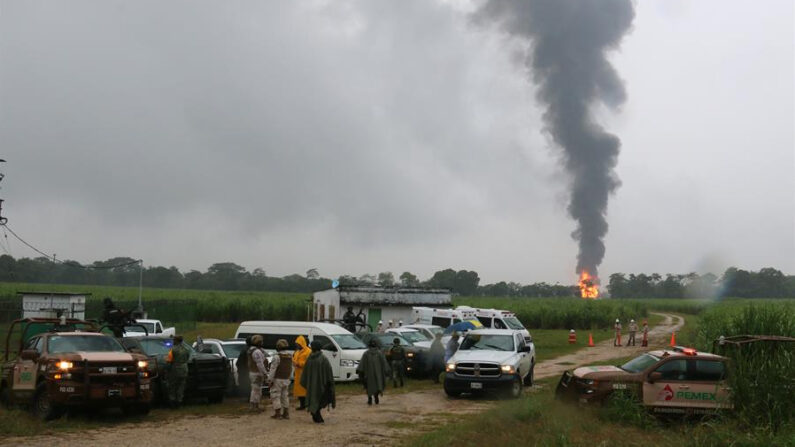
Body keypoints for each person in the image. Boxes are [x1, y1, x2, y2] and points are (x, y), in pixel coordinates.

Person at [301, 340, 336, 423]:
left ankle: (316, 414)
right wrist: (329, 382)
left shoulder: (309, 358)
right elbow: (328, 372)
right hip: (321, 384)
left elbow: (305, 373)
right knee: (321, 398)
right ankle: (316, 414)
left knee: (314, 398)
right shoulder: (323, 359)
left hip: (311, 385)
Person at [356, 339, 390, 405]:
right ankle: (376, 397)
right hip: (378, 374)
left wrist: (359, 370)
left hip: (368, 374)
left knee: (369, 386)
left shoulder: (366, 353)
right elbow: (384, 363)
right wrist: (387, 370)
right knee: (377, 385)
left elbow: (361, 364)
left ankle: (369, 399)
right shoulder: (379, 353)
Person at [267, 339, 293, 419]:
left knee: (275, 395)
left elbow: (273, 369)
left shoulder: (277, 357)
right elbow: (290, 368)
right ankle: (286, 413)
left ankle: (278, 414)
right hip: (286, 379)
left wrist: (270, 380)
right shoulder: (290, 356)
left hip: (277, 379)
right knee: (285, 396)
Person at [165, 335, 190, 408]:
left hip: (175, 369)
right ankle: (179, 402)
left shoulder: (172, 350)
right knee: (181, 386)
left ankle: (172, 402)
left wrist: (167, 370)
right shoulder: (186, 349)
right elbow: (187, 358)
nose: (173, 341)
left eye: (174, 340)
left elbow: (169, 361)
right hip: (184, 369)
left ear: (176, 341)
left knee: (172, 386)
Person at [247, 335, 269, 411]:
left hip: (253, 372)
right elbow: (260, 364)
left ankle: (255, 405)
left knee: (256, 389)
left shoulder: (252, 350)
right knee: (256, 390)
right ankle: (254, 406)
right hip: (257, 373)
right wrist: (265, 373)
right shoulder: (257, 351)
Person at [293, 336, 311, 410]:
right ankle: (302, 405)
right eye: (296, 344)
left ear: (302, 343)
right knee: (299, 391)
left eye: (298, 344)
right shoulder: (297, 352)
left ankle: (307, 404)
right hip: (298, 373)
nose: (297, 345)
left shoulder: (308, 351)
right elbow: (294, 359)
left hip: (305, 373)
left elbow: (308, 362)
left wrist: (299, 364)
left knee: (305, 389)